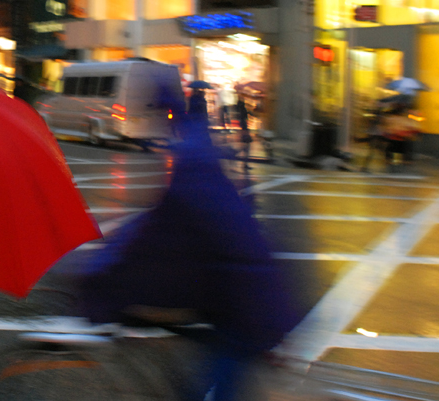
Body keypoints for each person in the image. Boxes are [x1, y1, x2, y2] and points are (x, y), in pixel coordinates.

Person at [76, 119, 299, 401]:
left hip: (247, 314)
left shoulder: (187, 196)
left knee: (216, 384)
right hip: (248, 304)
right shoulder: (210, 186)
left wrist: (99, 287)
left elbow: (144, 249)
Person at [235, 95, 252, 171]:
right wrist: (245, 132)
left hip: (244, 129)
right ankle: (245, 164)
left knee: (244, 147)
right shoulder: (242, 109)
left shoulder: (240, 109)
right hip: (244, 130)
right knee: (246, 147)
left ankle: (244, 163)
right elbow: (243, 120)